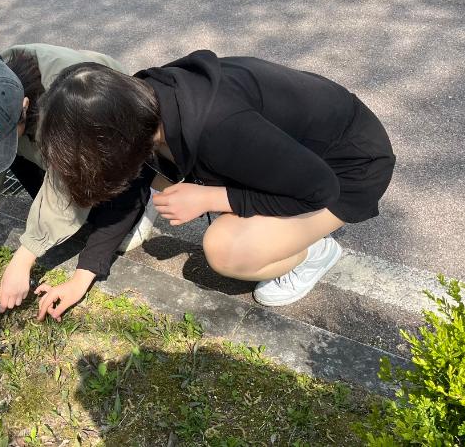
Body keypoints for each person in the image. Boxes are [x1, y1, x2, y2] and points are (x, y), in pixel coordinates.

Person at [36, 51, 396, 306]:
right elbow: (133, 185)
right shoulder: (141, 105)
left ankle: (314, 253)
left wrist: (209, 199)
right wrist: (82, 276)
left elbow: (319, 188)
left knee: (225, 249)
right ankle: (274, 227)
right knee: (162, 182)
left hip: (346, 168)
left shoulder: (218, 127)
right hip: (292, 158)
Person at [0, 44, 158, 320]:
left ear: (24, 106)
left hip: (106, 133)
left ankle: (141, 200)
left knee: (101, 201)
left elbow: (62, 185)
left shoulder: (61, 103)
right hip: (50, 132)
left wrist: (23, 259)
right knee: (10, 157)